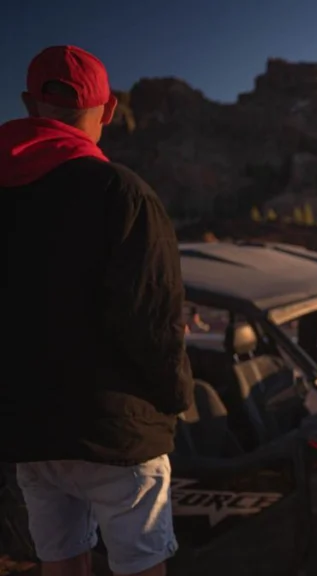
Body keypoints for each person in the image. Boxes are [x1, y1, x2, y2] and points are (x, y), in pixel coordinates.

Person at [0, 46, 194, 576]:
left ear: (28, 103)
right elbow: (153, 324)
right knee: (142, 564)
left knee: (60, 561)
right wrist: (177, 399)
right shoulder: (121, 193)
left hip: (27, 431)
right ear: (108, 110)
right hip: (116, 433)